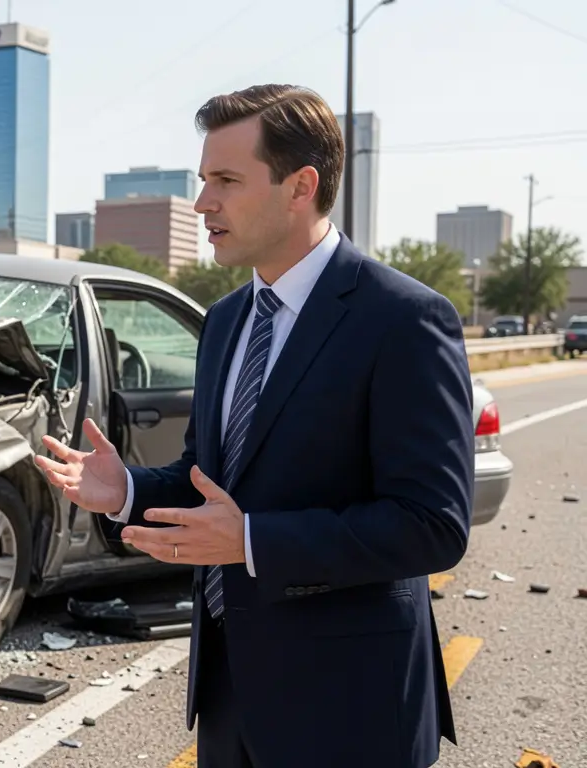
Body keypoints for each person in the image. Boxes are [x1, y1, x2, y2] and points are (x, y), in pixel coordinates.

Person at [36, 85, 473, 768]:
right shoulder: (226, 324)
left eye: (226, 181)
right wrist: (125, 491)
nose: (203, 202)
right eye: (203, 179)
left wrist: (251, 540)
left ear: (300, 186)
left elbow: (433, 525)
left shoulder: (404, 321)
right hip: (230, 692)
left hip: (350, 708)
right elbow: (205, 483)